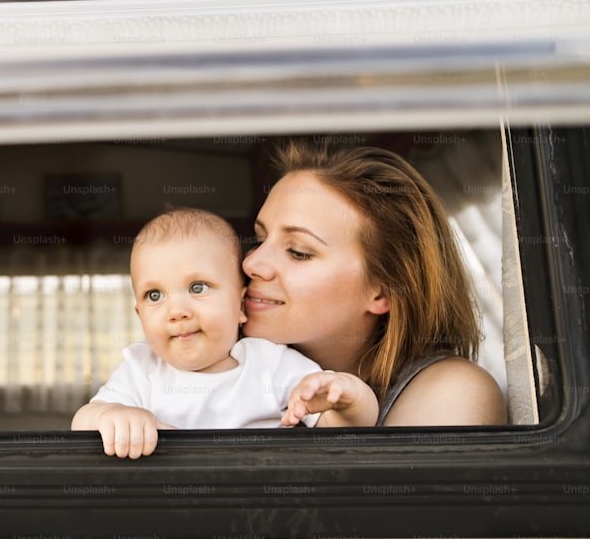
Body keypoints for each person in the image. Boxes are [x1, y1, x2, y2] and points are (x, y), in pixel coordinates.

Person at [71, 208, 378, 459]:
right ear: (139, 316)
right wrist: (110, 416)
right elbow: (83, 423)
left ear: (241, 305)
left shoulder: (269, 364)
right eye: (154, 295)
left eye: (198, 287)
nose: (176, 311)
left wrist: (350, 397)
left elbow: (345, 427)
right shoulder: (141, 370)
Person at [242, 140, 507, 426]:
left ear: (383, 291)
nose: (251, 263)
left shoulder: (453, 391)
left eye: (298, 252)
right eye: (259, 241)